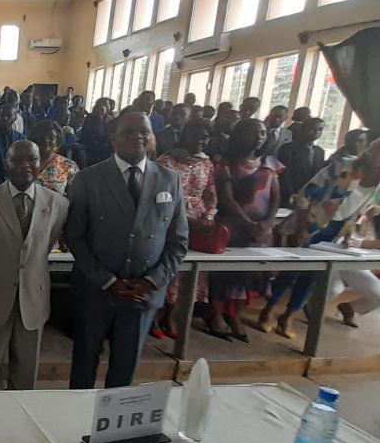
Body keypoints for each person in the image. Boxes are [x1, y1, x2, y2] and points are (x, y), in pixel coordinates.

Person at [66, 112, 188, 389]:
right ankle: (76, 412)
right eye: (129, 132)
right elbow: (75, 237)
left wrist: (152, 281)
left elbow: (178, 241)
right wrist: (108, 280)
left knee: (126, 366)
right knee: (84, 361)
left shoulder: (170, 180)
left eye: (144, 131)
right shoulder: (88, 178)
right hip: (96, 290)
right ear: (113, 138)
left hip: (142, 292)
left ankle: (115, 417)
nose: (138, 137)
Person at [0, 140, 68, 390]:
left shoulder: (58, 204)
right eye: (17, 160)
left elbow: (45, 246)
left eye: (32, 159)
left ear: (40, 163)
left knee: (26, 371)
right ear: (6, 164)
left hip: (33, 297)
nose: (25, 165)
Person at [258, 141, 380, 335]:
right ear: (372, 153)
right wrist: (301, 228)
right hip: (311, 223)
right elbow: (306, 192)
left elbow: (360, 212)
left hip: (337, 233)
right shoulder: (344, 166)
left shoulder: (377, 186)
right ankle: (268, 310)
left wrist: (354, 230)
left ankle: (288, 315)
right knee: (291, 271)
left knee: (311, 277)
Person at [209, 119, 281, 341]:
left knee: (246, 276)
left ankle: (235, 315)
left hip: (260, 230)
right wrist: (248, 224)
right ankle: (216, 314)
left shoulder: (269, 163)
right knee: (223, 274)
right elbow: (227, 199)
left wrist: (267, 223)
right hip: (233, 226)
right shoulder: (226, 163)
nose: (259, 137)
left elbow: (276, 197)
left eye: (262, 133)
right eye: (252, 132)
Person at [154, 119, 217, 338]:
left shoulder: (206, 164)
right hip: (169, 219)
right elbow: (157, 193)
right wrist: (180, 218)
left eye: (205, 137)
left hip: (198, 223)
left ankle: (171, 317)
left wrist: (208, 216)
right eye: (196, 135)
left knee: (187, 274)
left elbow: (210, 194)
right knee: (168, 268)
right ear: (185, 135)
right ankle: (155, 317)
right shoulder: (166, 161)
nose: (200, 141)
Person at [277, 117, 325, 205]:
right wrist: (291, 195)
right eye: (312, 129)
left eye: (320, 129)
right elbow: (284, 175)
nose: (316, 132)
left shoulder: (320, 151)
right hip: (290, 196)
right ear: (304, 129)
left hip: (310, 198)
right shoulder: (288, 148)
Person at [29, 120, 79, 196]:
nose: (46, 139)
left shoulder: (69, 166)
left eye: (51, 137)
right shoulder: (23, 161)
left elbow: (76, 196)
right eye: (41, 136)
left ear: (58, 140)